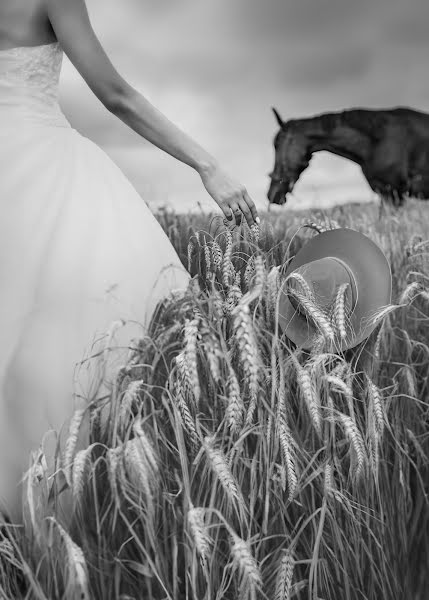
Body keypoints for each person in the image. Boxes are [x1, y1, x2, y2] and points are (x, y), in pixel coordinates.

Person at [0, 0, 260, 524]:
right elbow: (116, 95)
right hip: (43, 166)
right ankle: (72, 511)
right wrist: (208, 166)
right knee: (88, 336)